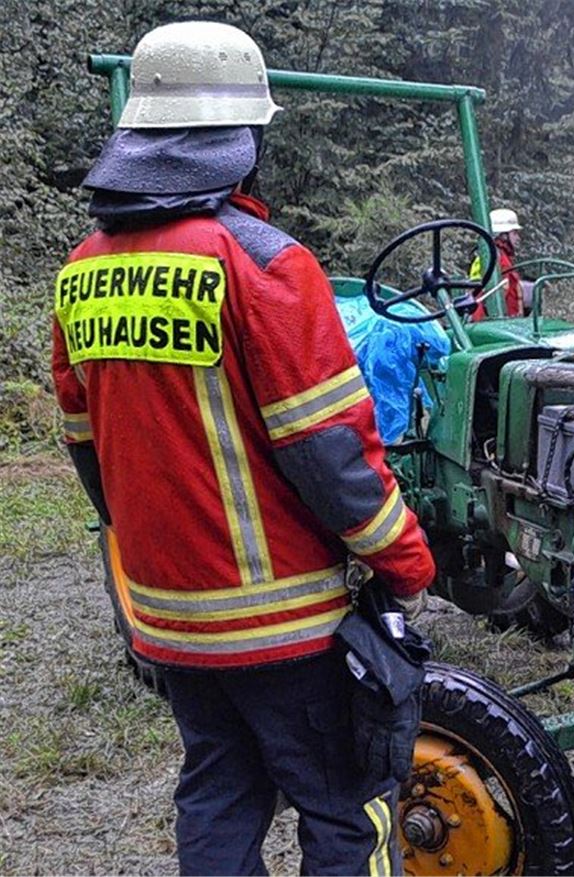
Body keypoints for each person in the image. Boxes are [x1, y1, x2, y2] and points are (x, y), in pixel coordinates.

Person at [51, 21, 434, 875]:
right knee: (348, 807)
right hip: (284, 621)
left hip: (167, 614)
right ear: (242, 140)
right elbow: (329, 449)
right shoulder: (263, 262)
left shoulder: (81, 271)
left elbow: (89, 448)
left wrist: (150, 549)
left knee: (219, 790)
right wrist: (403, 558)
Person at [468, 207, 533, 320]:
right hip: (492, 322)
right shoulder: (494, 257)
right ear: (503, 235)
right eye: (514, 233)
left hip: (503, 321)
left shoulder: (498, 255)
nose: (518, 238)